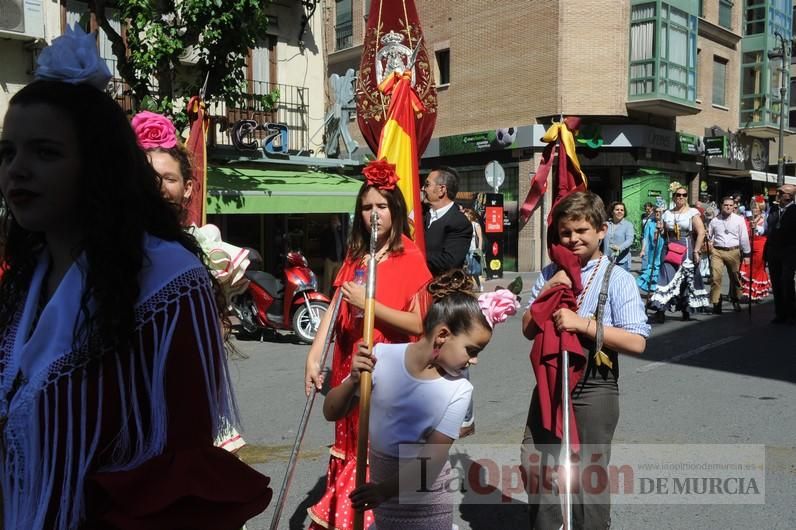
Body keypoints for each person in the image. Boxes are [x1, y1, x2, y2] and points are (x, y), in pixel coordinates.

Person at [0, 26, 270, 529]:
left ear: (98, 166)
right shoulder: (23, 280)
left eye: (45, 152)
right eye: (8, 153)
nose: (18, 170)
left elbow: (178, 466)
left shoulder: (168, 280)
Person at [323, 273, 517, 530]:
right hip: (383, 494)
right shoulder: (380, 357)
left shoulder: (459, 389)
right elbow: (331, 411)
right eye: (472, 351)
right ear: (442, 336)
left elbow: (433, 458)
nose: (474, 361)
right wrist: (353, 380)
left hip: (425, 501)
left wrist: (383, 491)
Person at [304, 159, 433, 530]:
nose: (373, 215)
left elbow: (420, 322)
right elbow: (336, 304)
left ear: (395, 209)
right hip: (350, 365)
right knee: (347, 446)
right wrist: (315, 354)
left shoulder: (410, 257)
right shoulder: (357, 256)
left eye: (381, 206)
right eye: (366, 207)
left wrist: (370, 305)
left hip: (388, 372)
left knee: (372, 454)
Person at [520, 191, 649, 529]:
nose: (573, 239)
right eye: (566, 233)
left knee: (588, 474)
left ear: (601, 231)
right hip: (551, 383)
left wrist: (583, 325)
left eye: (582, 231)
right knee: (535, 461)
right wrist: (551, 289)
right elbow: (527, 329)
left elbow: (637, 342)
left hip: (595, 384)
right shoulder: (550, 271)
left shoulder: (617, 279)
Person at [649, 186, 709, 322]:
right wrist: (659, 229)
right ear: (674, 197)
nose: (681, 197)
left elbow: (701, 232)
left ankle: (686, 309)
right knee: (665, 278)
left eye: (684, 195)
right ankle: (661, 309)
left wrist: (696, 251)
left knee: (685, 280)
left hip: (686, 248)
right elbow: (662, 233)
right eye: (678, 195)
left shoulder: (692, 212)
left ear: (687, 197)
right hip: (669, 247)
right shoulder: (667, 214)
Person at [131, 110, 194, 223]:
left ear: (187, 188)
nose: (160, 187)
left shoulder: (204, 239)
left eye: (170, 179)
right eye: (149, 178)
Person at [422, 166, 472, 276]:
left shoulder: (459, 223)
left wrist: (415, 256)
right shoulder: (420, 215)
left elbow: (450, 261)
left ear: (441, 190)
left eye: (427, 184)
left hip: (439, 288)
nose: (422, 188)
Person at [707, 196, 751, 314]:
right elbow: (709, 236)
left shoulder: (739, 220)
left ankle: (735, 298)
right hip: (718, 251)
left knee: (735, 277)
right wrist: (709, 242)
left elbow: (744, 238)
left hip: (733, 251)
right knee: (715, 277)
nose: (728, 207)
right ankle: (716, 302)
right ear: (721, 206)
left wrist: (747, 254)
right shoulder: (715, 221)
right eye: (726, 205)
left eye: (731, 205)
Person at [764, 184, 796, 324]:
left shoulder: (795, 210)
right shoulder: (773, 209)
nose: (780, 194)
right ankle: (780, 313)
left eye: (783, 192)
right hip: (773, 250)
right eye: (780, 192)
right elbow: (768, 228)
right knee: (776, 282)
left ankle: (792, 313)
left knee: (787, 281)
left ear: (790, 196)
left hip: (789, 250)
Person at [739, 197, 772, 302]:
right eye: (753, 206)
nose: (754, 208)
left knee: (757, 269)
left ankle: (755, 293)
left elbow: (765, 232)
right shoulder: (748, 218)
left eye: (757, 207)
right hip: (749, 244)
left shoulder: (765, 218)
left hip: (760, 245)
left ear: (761, 208)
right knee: (748, 267)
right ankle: (748, 292)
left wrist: (755, 226)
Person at [636, 207, 664, 293]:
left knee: (661, 269)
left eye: (660, 212)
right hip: (653, 250)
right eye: (656, 211)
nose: (657, 213)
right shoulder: (649, 223)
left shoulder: (666, 223)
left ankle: (660, 290)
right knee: (652, 268)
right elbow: (645, 238)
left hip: (663, 250)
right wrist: (643, 250)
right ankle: (651, 289)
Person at [603, 201, 635, 271]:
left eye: (622, 210)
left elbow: (630, 240)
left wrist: (619, 248)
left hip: (621, 262)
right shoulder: (606, 224)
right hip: (606, 260)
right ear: (612, 212)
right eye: (617, 210)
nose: (619, 211)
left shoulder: (628, 225)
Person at [320, 214, 346, 296]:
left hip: (339, 260)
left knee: (336, 282)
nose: (336, 222)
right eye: (334, 220)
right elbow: (322, 245)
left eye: (337, 220)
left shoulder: (340, 232)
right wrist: (325, 257)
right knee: (327, 282)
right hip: (330, 259)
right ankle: (325, 300)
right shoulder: (327, 232)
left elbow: (342, 244)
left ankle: (334, 299)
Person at [463, 208, 485, 291]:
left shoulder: (476, 225)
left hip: (473, 249)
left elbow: (480, 237)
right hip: (466, 249)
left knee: (474, 270)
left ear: (470, 215)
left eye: (466, 216)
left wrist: (479, 248)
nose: (465, 217)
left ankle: (480, 285)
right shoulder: (464, 225)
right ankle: (470, 286)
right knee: (468, 270)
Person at [639, 202, 655, 271]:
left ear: (652, 208)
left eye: (648, 209)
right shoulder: (643, 216)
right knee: (644, 251)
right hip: (644, 236)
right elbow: (642, 226)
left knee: (651, 252)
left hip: (651, 236)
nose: (647, 211)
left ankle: (650, 267)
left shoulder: (654, 216)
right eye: (646, 209)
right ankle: (644, 268)